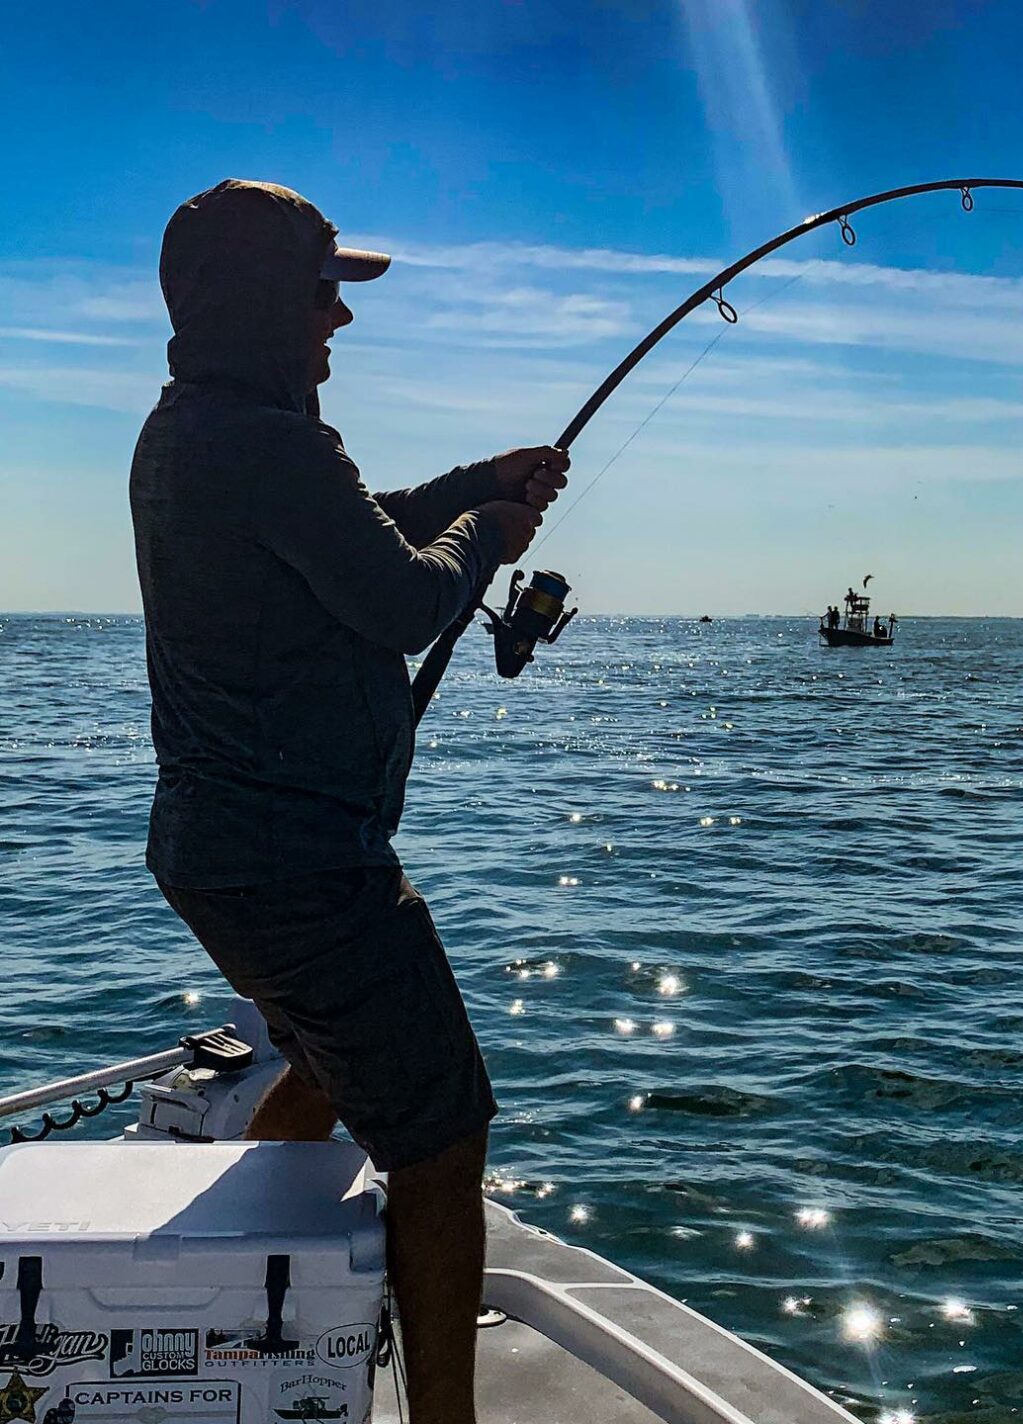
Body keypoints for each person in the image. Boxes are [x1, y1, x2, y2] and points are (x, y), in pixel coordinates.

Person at [129, 180, 569, 1424]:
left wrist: (476, 483)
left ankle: (236, 1301)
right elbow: (398, 596)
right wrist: (487, 528)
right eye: (322, 292)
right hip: (305, 867)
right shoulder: (265, 440)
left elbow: (354, 535)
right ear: (263, 299)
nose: (339, 319)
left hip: (224, 856)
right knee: (440, 1138)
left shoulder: (197, 432)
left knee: (324, 1064)